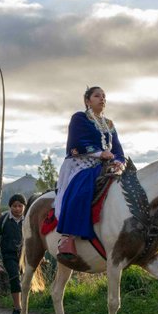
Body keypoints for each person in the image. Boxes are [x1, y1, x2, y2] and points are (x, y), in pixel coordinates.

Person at [55, 86, 126, 260]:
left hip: (106, 165)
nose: (102, 99)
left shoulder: (109, 124)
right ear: (87, 101)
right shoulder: (79, 118)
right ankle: (67, 237)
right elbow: (77, 142)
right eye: (97, 96)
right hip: (82, 163)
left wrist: (118, 161)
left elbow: (117, 149)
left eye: (104, 96)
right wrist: (99, 153)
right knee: (83, 186)